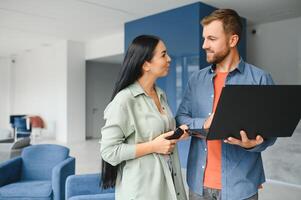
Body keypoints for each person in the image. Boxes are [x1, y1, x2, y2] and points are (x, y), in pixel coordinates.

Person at [176, 9, 276, 200]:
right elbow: (181, 118)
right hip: (198, 184)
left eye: (211, 38)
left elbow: (270, 133)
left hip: (241, 186)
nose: (204, 45)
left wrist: (251, 145)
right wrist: (204, 123)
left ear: (232, 40)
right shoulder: (196, 80)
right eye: (204, 38)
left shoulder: (260, 79)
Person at [100, 35, 187, 200]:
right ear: (146, 64)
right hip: (143, 191)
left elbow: (157, 134)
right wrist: (153, 146)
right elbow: (108, 151)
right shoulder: (124, 100)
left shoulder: (160, 94)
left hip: (170, 183)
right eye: (163, 55)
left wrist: (176, 134)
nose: (169, 59)